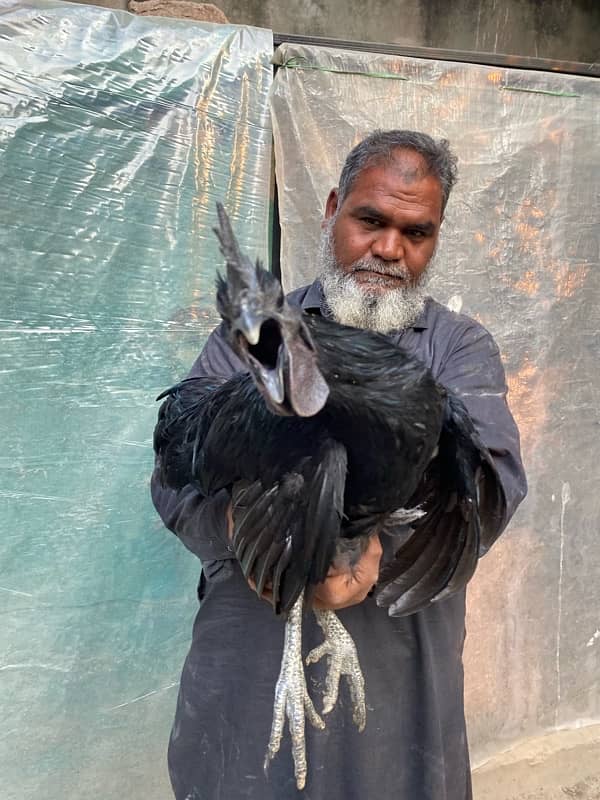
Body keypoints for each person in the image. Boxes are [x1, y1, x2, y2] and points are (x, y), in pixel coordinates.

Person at [151, 129, 527, 800]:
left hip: (400, 665)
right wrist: (256, 530)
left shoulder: (457, 348)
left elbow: (491, 485)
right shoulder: (263, 334)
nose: (389, 249)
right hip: (254, 653)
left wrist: (371, 546)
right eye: (370, 220)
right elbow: (176, 482)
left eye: (416, 233)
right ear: (331, 209)